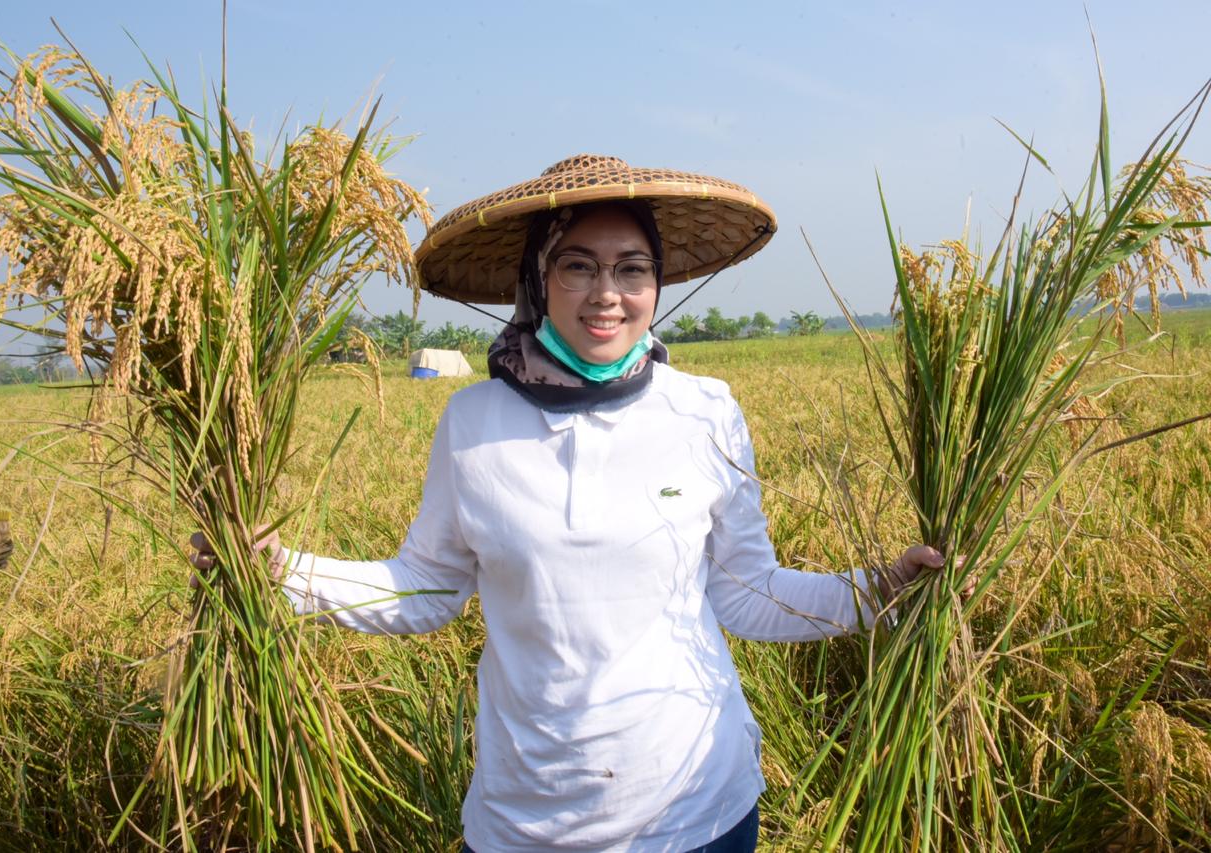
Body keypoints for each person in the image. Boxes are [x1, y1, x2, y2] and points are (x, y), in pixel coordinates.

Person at [190, 154, 944, 852]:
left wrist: (880, 586)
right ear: (537, 277)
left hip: (699, 805)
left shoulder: (706, 411)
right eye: (578, 266)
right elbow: (425, 588)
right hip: (528, 819)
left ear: (658, 284)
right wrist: (280, 572)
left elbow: (748, 594)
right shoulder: (473, 422)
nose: (607, 294)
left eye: (632, 268)